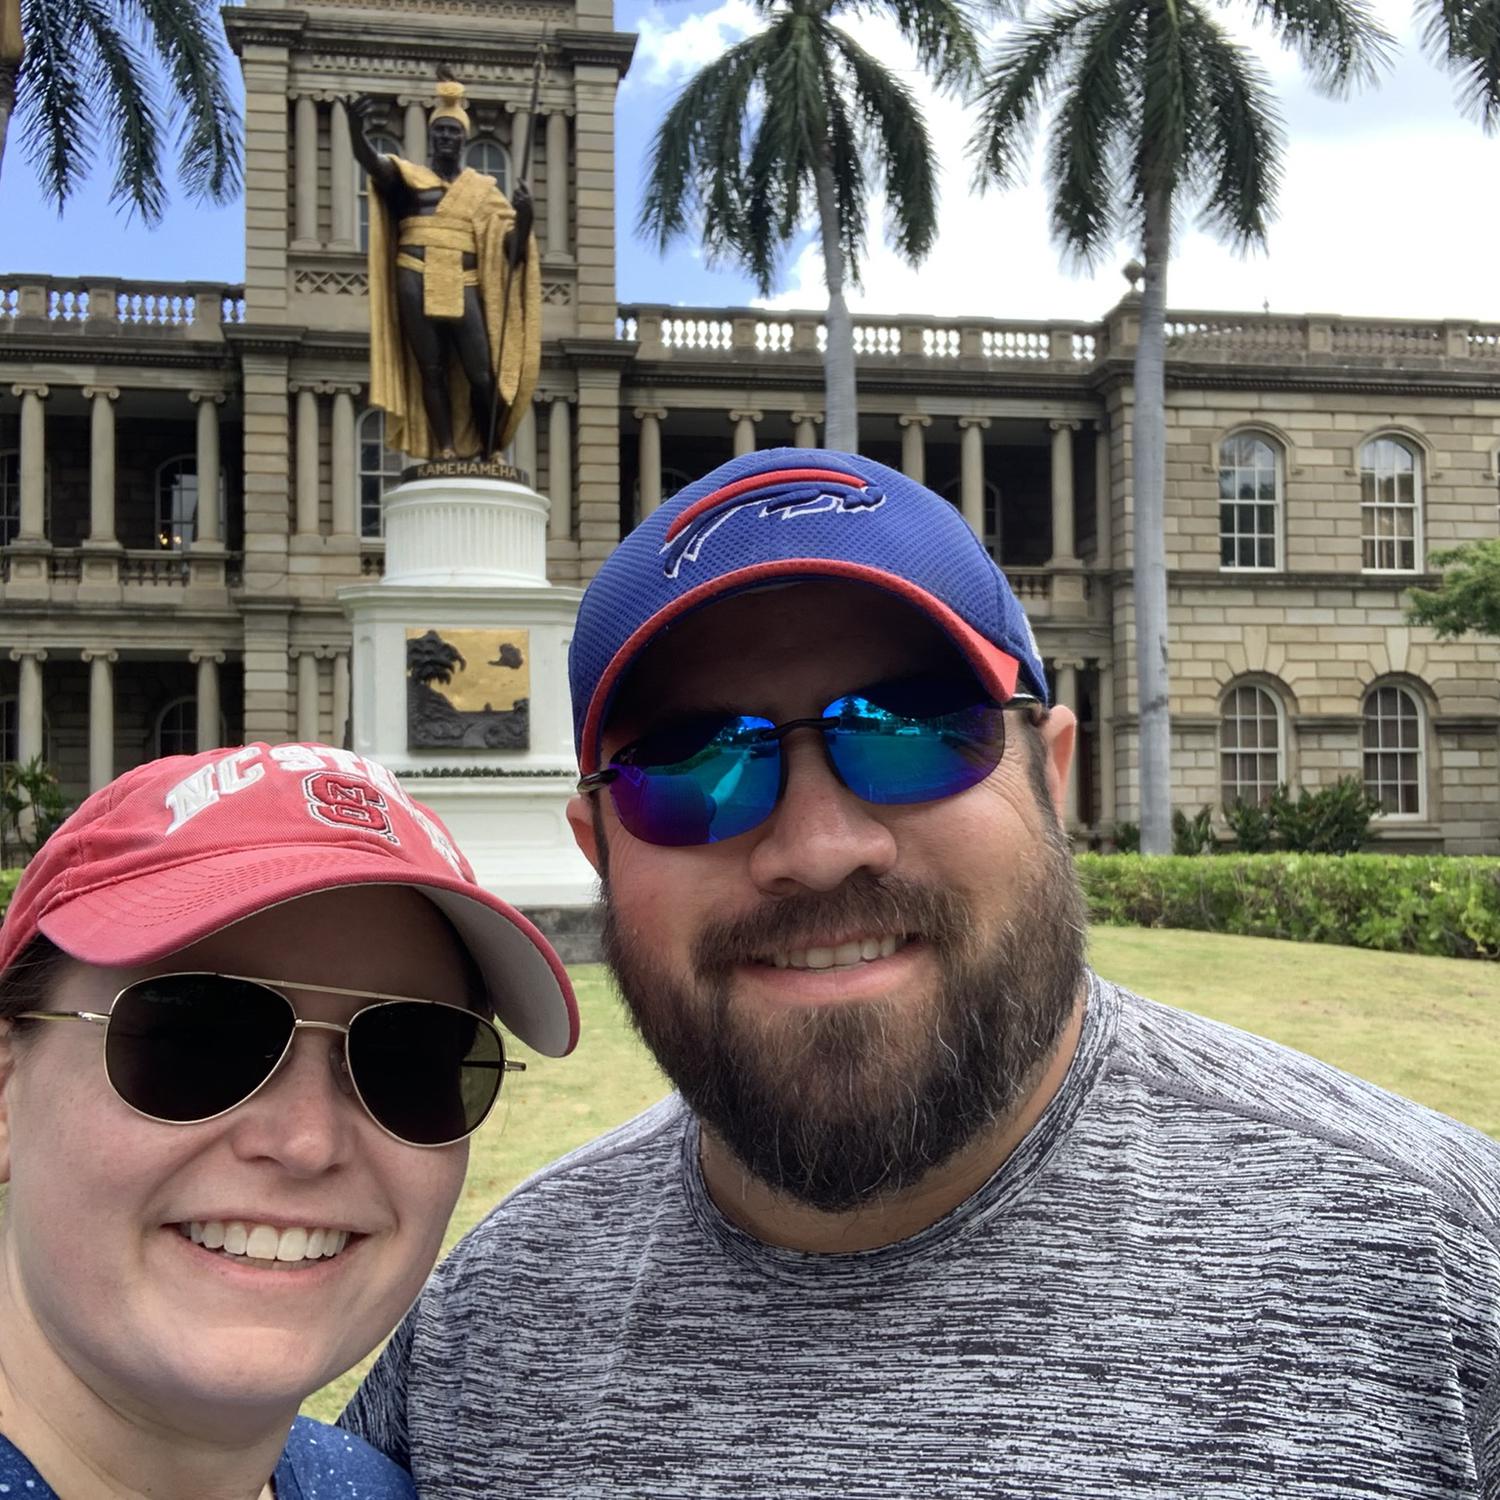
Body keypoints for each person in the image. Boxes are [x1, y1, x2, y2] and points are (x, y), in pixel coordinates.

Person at [343, 449, 1500, 1498]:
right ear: (599, 848)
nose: (816, 846)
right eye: (692, 765)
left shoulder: (1438, 1265)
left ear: (1050, 775)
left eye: (907, 725)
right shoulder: (492, 1323)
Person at [0, 741, 577, 1498]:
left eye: (408, 1059)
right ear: (7, 1089)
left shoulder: (375, 1486)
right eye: (197, 1037)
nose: (308, 1142)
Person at [354, 75, 540, 460]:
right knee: (431, 368)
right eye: (439, 130)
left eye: (452, 132)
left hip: (463, 279)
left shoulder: (482, 190)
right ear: (430, 136)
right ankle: (445, 448)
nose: (445, 138)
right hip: (413, 274)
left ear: (463, 139)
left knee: (482, 373)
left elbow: (511, 251)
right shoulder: (409, 178)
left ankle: (489, 450)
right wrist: (357, 133)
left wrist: (524, 218)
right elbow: (373, 164)